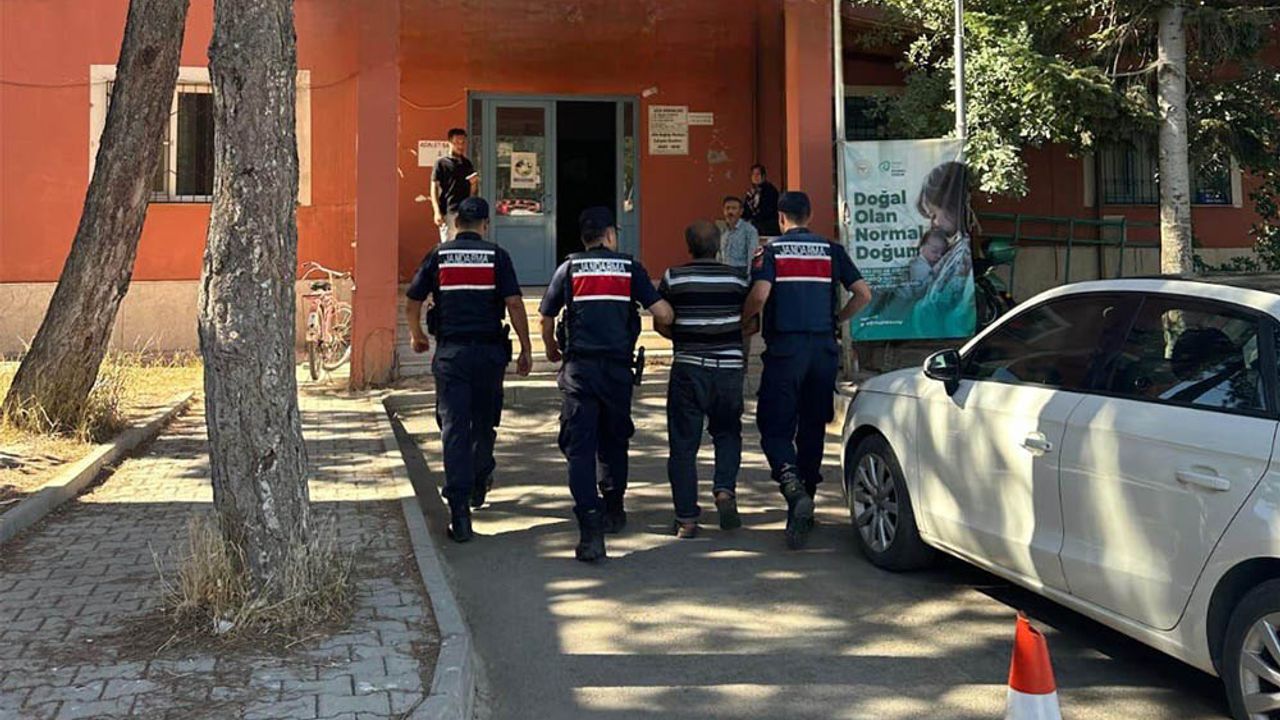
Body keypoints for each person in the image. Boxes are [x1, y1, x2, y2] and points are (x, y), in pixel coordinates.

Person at [539, 207, 674, 562]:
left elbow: (546, 316)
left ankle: (590, 527)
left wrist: (551, 348)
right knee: (614, 441)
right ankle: (614, 509)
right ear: (610, 235)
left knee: (579, 448)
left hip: (579, 371)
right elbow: (663, 313)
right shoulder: (630, 268)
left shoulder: (568, 269)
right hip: (616, 372)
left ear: (584, 238)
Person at [742, 191, 873, 549]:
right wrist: (837, 320)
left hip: (786, 351)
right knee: (813, 425)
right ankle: (806, 504)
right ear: (810, 215)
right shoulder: (832, 250)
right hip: (823, 351)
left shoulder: (770, 251)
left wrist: (744, 320)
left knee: (774, 426)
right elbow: (863, 294)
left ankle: (793, 487)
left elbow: (760, 294)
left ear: (781, 218)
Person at [406, 197, 533, 543]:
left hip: (452, 354)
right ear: (485, 225)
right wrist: (526, 347)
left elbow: (413, 300)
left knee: (454, 428)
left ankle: (460, 512)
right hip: (489, 354)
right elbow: (514, 303)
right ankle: (479, 479)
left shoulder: (438, 255)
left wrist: (417, 335)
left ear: (456, 223)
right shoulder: (497, 256)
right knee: (484, 421)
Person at [654, 220, 751, 539]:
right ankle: (724, 491)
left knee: (683, 444)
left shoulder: (674, 277)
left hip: (689, 367)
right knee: (727, 432)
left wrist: (684, 337)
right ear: (719, 246)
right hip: (729, 369)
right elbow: (751, 321)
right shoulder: (738, 278)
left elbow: (660, 322)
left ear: (689, 247)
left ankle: (686, 519)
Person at [431, 128, 480, 244]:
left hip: (465, 212)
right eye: (457, 142)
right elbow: (434, 189)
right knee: (449, 245)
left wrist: (474, 184)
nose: (460, 146)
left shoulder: (467, 163)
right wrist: (436, 211)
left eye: (463, 143)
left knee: (465, 245)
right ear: (449, 142)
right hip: (448, 211)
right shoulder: (441, 163)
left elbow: (472, 192)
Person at [716, 195, 758, 270]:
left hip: (740, 271)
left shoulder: (749, 231)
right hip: (724, 271)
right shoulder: (722, 231)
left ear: (741, 211)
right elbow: (719, 256)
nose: (730, 212)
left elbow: (752, 257)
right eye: (727, 208)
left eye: (734, 208)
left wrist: (748, 275)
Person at [743, 164, 781, 237]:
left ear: (763, 176)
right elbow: (746, 210)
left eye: (758, 174)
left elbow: (768, 210)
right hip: (755, 226)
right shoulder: (751, 192)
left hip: (768, 227)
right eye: (753, 174)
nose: (755, 177)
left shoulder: (770, 190)